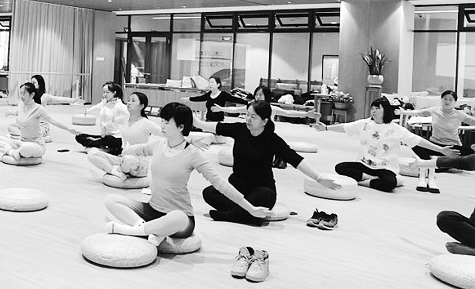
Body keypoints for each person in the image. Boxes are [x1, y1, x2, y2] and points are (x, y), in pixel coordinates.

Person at [104, 102, 272, 246]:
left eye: (167, 122)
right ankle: (149, 229)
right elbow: (136, 149)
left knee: (176, 217)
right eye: (162, 121)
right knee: (111, 200)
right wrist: (122, 154)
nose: (162, 126)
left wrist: (250, 208)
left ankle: (129, 231)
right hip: (153, 209)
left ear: (181, 127)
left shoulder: (193, 154)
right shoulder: (158, 145)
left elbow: (220, 183)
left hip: (181, 218)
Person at [194, 100, 339, 226]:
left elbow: (295, 159)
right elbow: (206, 126)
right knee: (209, 193)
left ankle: (233, 215)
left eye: (253, 117)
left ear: (264, 121)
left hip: (261, 189)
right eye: (247, 115)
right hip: (237, 186)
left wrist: (318, 177)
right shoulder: (239, 129)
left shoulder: (272, 139)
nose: (248, 119)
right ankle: (247, 215)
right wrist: (192, 119)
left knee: (265, 196)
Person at [315, 97, 457, 193]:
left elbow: (418, 140)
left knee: (390, 183)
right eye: (372, 108)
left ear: (385, 110)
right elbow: (345, 127)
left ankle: (363, 181)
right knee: (340, 167)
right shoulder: (365, 124)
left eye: (377, 108)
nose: (373, 111)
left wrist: (441, 150)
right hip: (365, 164)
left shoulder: (396, 129)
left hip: (385, 167)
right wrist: (326, 128)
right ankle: (371, 180)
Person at [213, 85, 321, 168]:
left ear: (266, 96)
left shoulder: (271, 108)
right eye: (256, 94)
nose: (258, 97)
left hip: (266, 137)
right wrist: (221, 109)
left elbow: (288, 113)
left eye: (260, 95)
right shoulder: (251, 107)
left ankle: (278, 158)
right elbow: (236, 110)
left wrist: (306, 114)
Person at [0, 82, 78, 162]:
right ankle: (12, 152)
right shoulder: (21, 106)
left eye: (24, 93)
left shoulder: (38, 108)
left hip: (36, 145)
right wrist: (10, 112)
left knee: (25, 147)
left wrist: (68, 129)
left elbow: (52, 120)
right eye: (20, 93)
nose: (22, 96)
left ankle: (16, 151)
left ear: (32, 94)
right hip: (21, 141)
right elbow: (17, 113)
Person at [397, 90, 475, 192]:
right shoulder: (435, 110)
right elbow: (420, 112)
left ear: (455, 102)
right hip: (435, 144)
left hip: (452, 147)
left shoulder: (459, 114)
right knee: (415, 142)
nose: (447, 101)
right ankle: (433, 163)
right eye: (445, 99)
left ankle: (435, 163)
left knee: (470, 155)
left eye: (450, 99)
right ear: (441, 100)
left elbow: (473, 121)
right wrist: (404, 112)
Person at [87, 91, 161, 180]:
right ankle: (114, 171)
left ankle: (120, 169)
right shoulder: (124, 119)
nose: (129, 103)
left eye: (133, 101)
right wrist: (109, 105)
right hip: (123, 159)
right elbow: (109, 121)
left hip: (139, 165)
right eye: (128, 100)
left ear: (141, 106)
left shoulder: (146, 123)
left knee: (129, 159)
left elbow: (165, 134)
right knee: (92, 153)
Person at [74, 81, 129, 155]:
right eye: (104, 92)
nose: (105, 94)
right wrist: (88, 111)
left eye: (107, 92)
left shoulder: (119, 105)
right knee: (80, 137)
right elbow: (97, 107)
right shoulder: (104, 103)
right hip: (104, 136)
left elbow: (128, 114)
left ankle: (108, 147)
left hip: (115, 138)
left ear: (114, 93)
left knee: (107, 140)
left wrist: (118, 120)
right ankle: (104, 147)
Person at [181, 76, 247, 122]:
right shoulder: (209, 94)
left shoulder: (223, 94)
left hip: (219, 121)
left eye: (212, 82)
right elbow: (200, 98)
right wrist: (188, 99)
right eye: (209, 82)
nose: (210, 84)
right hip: (208, 120)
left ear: (218, 84)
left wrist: (248, 103)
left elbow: (234, 99)